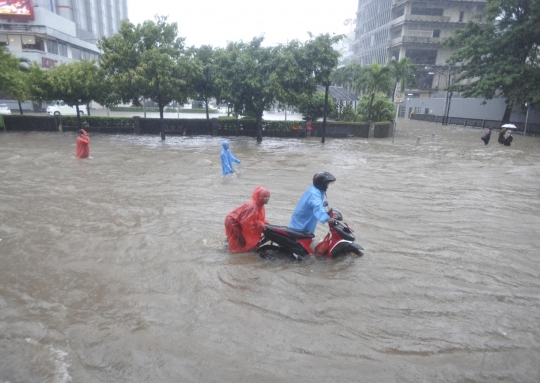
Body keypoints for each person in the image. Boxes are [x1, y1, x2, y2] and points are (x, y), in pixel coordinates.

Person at [224, 186, 270, 253]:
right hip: (233, 222)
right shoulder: (251, 207)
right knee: (241, 243)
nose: (267, 199)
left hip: (238, 222)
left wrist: (263, 223)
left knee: (242, 241)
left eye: (268, 196)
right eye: (265, 196)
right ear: (259, 197)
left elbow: (257, 219)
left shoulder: (260, 206)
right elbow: (245, 223)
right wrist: (259, 223)